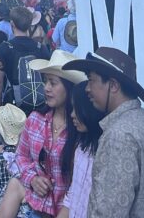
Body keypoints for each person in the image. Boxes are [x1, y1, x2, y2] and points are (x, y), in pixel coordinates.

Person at [64, 47, 144, 218]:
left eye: (91, 80)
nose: (87, 88)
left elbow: (108, 212)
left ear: (113, 85)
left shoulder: (119, 135)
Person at [0, 51, 83, 218]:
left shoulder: (80, 129)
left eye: (53, 83)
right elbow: (21, 155)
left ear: (69, 87)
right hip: (34, 204)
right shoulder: (35, 119)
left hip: (66, 211)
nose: (46, 88)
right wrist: (33, 179)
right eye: (45, 82)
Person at [58, 82, 105, 218]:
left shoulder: (105, 153)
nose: (72, 115)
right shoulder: (81, 147)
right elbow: (72, 196)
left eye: (77, 109)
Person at [0, 7, 50, 110]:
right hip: (40, 104)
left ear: (12, 24)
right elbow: (48, 76)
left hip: (14, 105)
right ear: (29, 24)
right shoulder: (41, 47)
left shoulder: (5, 47)